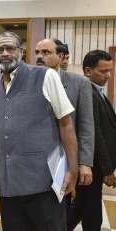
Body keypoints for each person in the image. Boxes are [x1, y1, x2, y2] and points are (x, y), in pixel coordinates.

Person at [0, 31, 78, 231]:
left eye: (10, 48)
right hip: (8, 186)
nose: (4, 53)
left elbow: (66, 124)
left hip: (43, 184)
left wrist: (73, 169)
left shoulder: (46, 76)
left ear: (21, 52)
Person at [67, 50, 116, 231]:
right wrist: (107, 169)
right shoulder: (88, 93)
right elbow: (94, 134)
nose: (109, 76)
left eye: (110, 70)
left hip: (95, 166)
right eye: (103, 71)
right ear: (88, 71)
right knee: (92, 214)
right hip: (91, 165)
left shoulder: (97, 91)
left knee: (81, 208)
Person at [35, 39, 94, 186]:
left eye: (45, 52)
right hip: (37, 158)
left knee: (64, 203)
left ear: (60, 57)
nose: (39, 57)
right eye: (37, 52)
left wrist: (84, 162)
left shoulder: (79, 83)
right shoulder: (30, 82)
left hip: (66, 157)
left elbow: (86, 125)